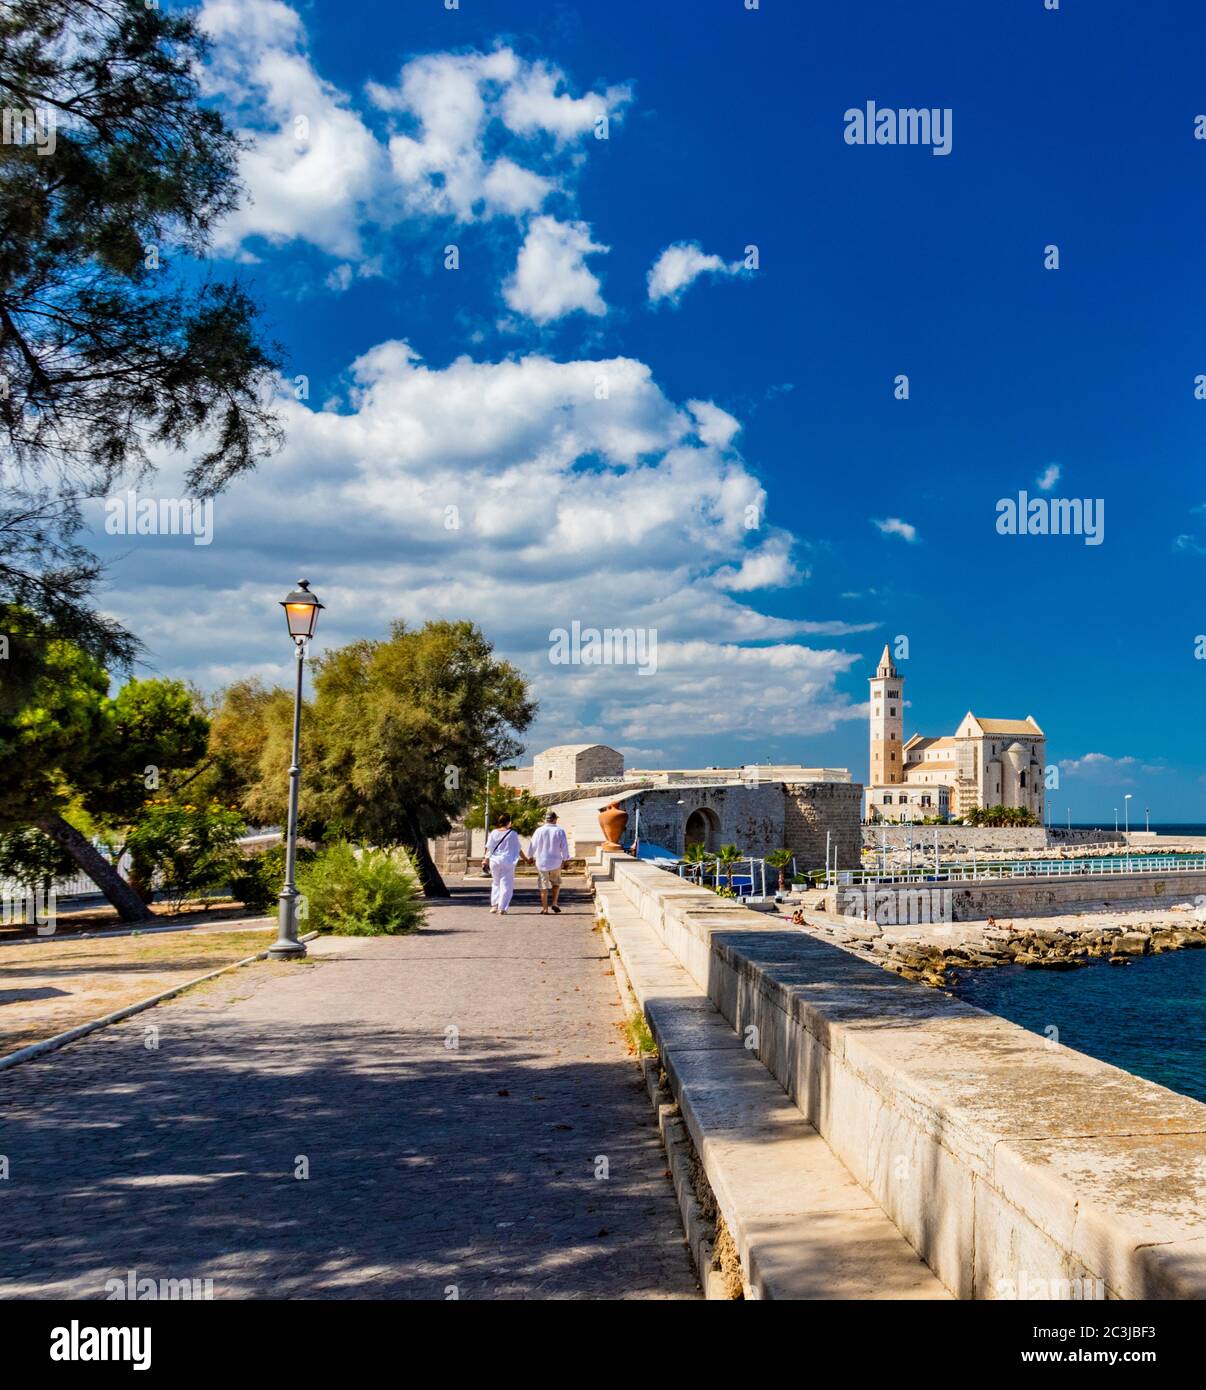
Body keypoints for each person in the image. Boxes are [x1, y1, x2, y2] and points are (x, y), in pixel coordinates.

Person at [527, 809, 570, 915]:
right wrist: (565, 859)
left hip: (542, 862)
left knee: (543, 886)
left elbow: (532, 845)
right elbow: (564, 847)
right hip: (556, 861)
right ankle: (554, 903)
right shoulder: (560, 830)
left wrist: (530, 856)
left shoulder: (539, 831)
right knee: (556, 883)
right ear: (555, 819)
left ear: (546, 820)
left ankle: (545, 908)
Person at [485, 812, 522, 914]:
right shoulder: (513, 834)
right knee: (506, 884)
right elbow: (518, 849)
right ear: (509, 822)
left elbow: (489, 848)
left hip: (494, 861)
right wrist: (527, 859)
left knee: (496, 883)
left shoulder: (493, 832)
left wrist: (485, 859)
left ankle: (494, 905)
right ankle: (502, 908)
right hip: (507, 861)